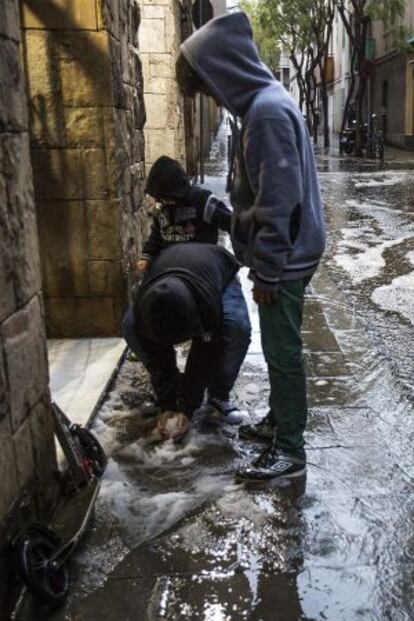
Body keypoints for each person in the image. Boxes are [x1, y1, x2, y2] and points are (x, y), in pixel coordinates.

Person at [176, 12, 325, 481]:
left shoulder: (265, 112)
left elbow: (280, 204)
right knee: (281, 347)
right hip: (287, 253)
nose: (211, 97)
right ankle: (280, 422)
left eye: (207, 86)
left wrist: (268, 271)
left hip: (287, 257)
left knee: (282, 353)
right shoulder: (262, 107)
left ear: (224, 70)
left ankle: (291, 450)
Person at [122, 243, 251, 425]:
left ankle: (218, 395)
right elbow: (157, 355)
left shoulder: (205, 304)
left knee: (236, 327)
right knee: (129, 327)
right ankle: (173, 388)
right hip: (170, 267)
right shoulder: (143, 308)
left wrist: (187, 409)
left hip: (217, 267)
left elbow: (203, 355)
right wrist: (168, 404)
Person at [137, 155, 232, 274]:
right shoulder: (162, 208)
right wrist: (147, 256)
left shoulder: (202, 201)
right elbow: (157, 235)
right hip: (169, 268)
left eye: (163, 197)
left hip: (200, 267)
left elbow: (230, 222)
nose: (159, 201)